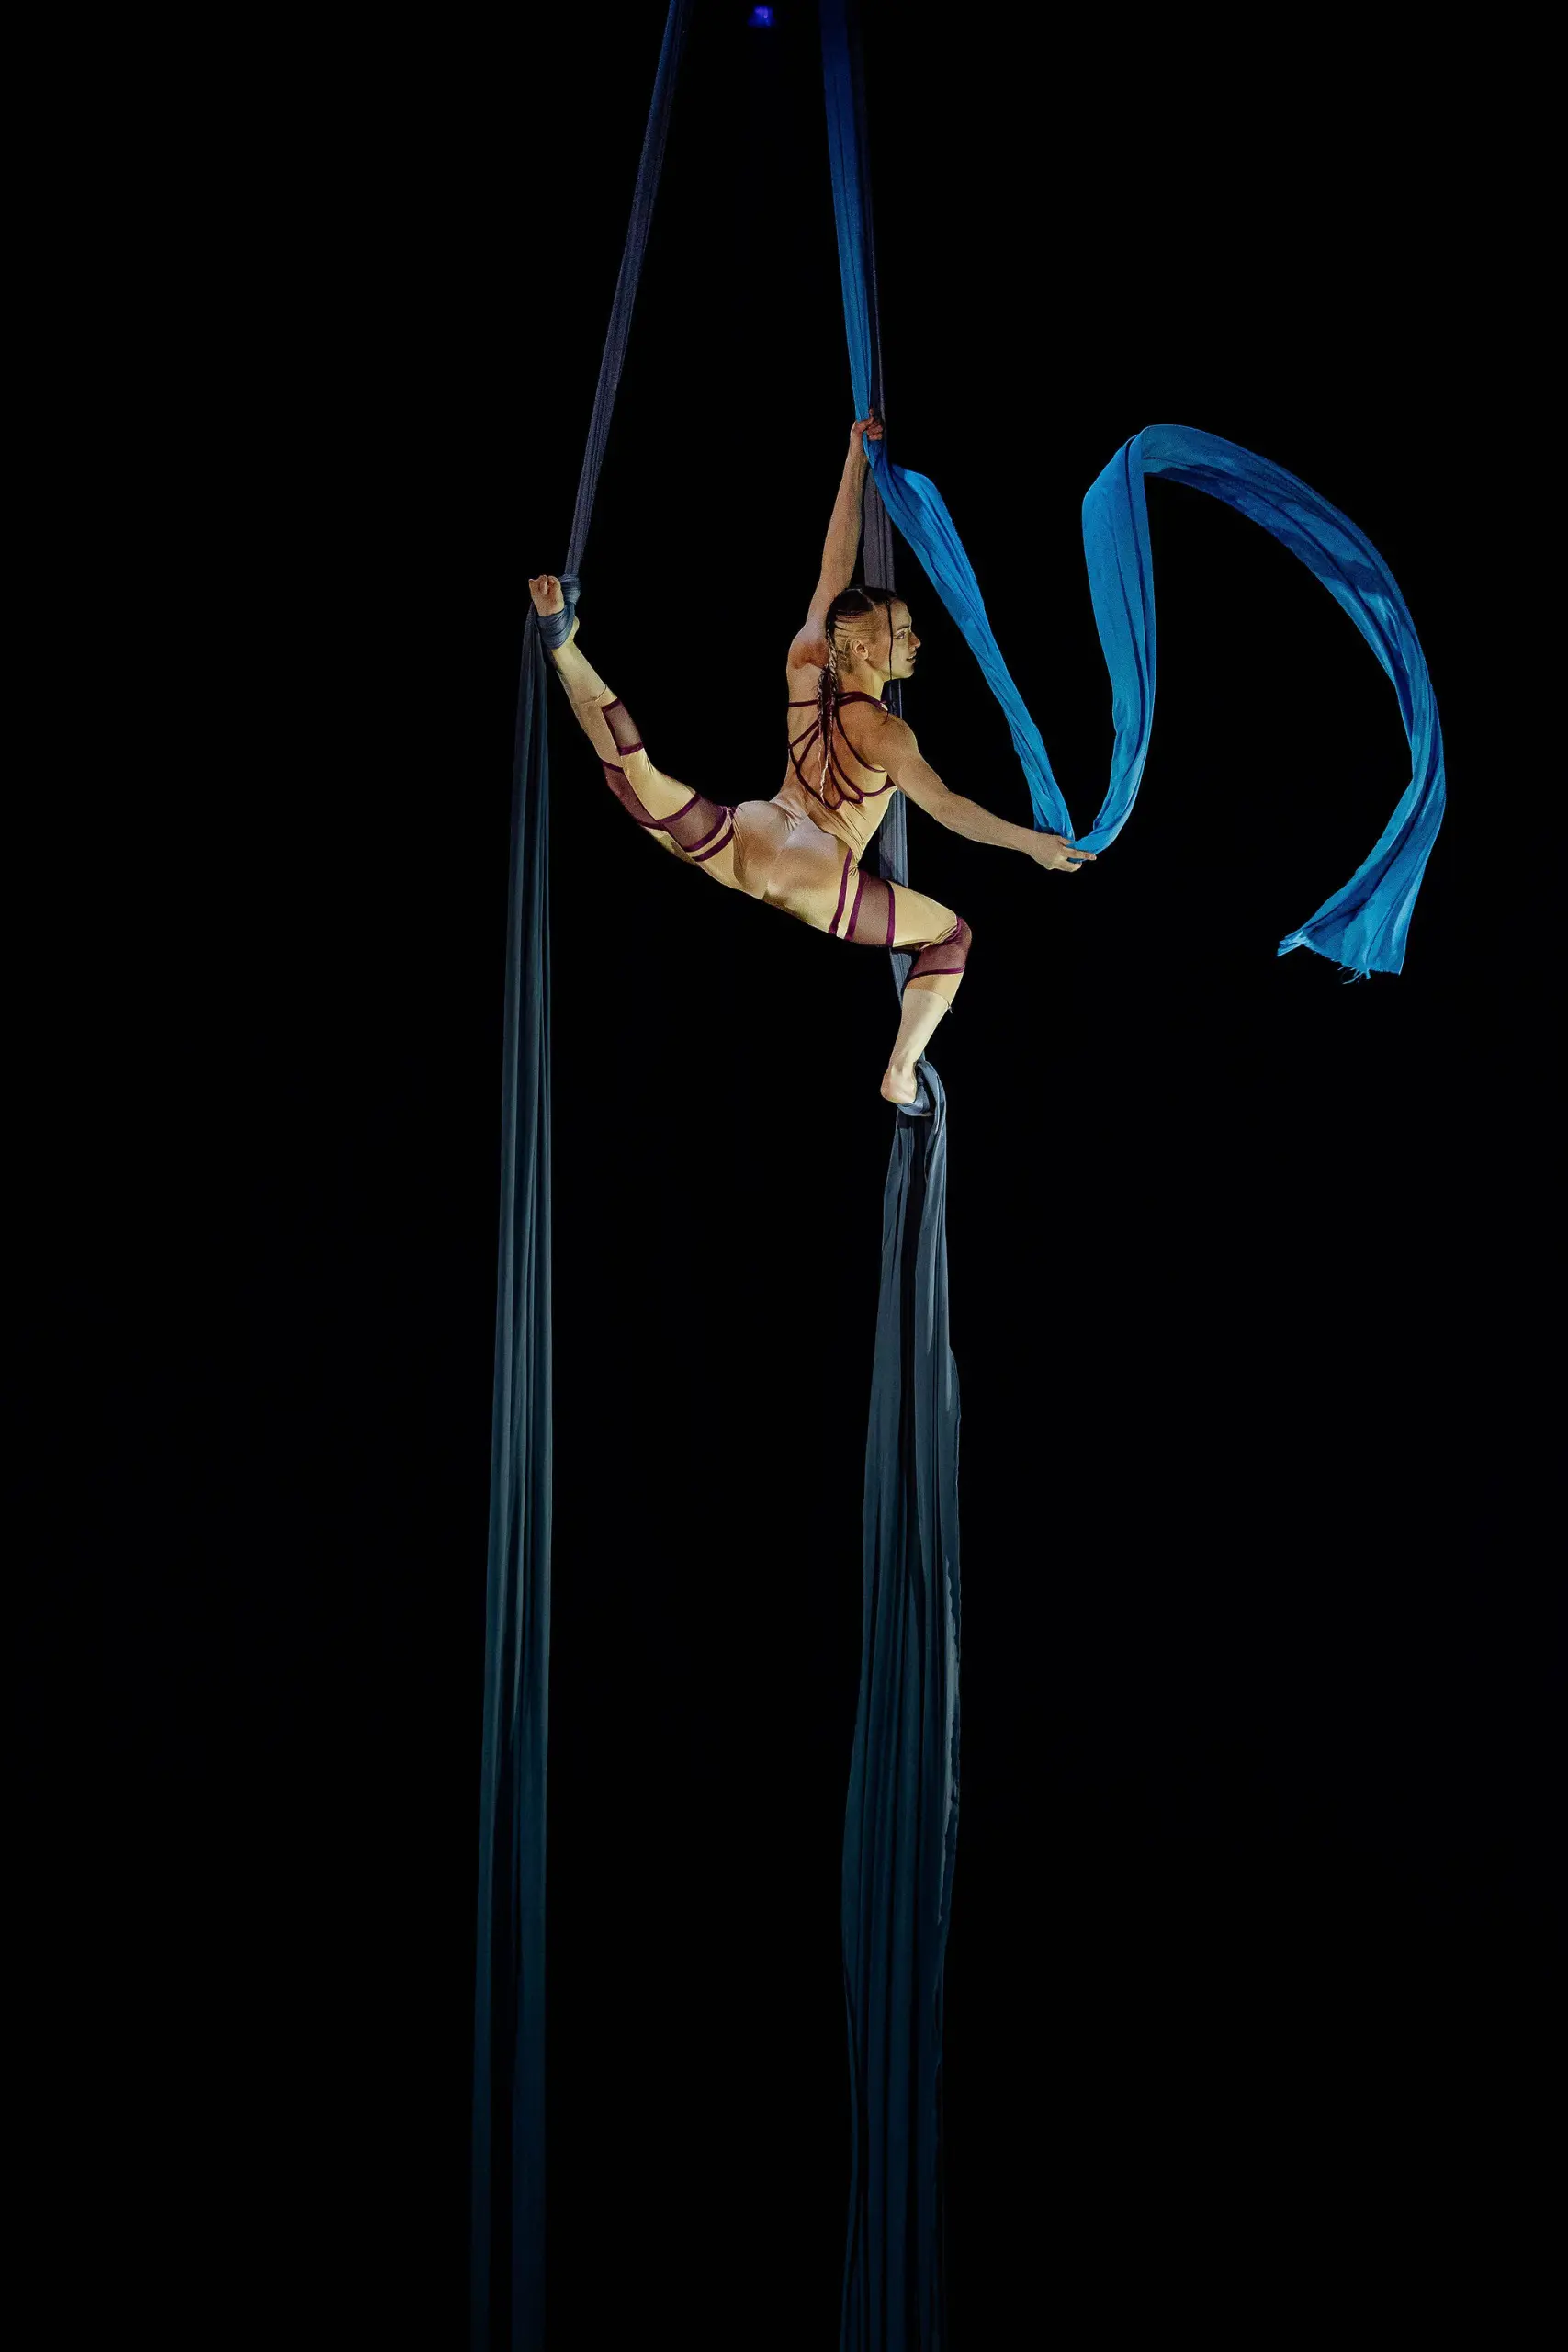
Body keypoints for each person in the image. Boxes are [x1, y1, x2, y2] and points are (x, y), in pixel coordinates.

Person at [528, 416, 1093, 1105]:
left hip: (757, 830)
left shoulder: (805, 659)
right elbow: (946, 809)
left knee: (637, 779)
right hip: (819, 871)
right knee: (949, 935)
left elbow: (835, 565)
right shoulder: (885, 734)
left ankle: (563, 646)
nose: (917, 644)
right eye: (903, 634)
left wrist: (854, 458)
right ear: (860, 649)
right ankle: (899, 1071)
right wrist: (1029, 844)